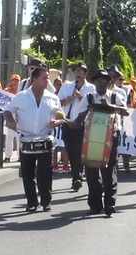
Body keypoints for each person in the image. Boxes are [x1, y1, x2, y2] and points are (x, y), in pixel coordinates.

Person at [4, 67, 66, 212]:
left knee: (45, 173)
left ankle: (46, 201)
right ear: (34, 79)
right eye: (44, 78)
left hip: (45, 138)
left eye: (47, 78)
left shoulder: (52, 97)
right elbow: (7, 110)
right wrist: (11, 121)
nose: (47, 81)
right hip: (26, 138)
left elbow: (61, 115)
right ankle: (32, 202)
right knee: (27, 174)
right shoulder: (21, 96)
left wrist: (56, 122)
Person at [75, 69, 129, 217]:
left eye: (105, 80)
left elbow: (126, 111)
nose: (102, 83)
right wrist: (77, 121)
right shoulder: (89, 97)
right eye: (99, 80)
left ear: (108, 82)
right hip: (91, 138)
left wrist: (112, 108)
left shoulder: (114, 96)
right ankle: (95, 205)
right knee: (91, 172)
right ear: (95, 82)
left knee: (109, 172)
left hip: (111, 137)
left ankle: (109, 205)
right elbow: (80, 116)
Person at [58, 64, 97, 192]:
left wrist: (81, 97)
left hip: (83, 124)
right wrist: (71, 98)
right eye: (77, 71)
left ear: (85, 74)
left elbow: (93, 106)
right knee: (70, 150)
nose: (78, 74)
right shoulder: (67, 86)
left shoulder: (91, 88)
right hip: (68, 122)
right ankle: (77, 175)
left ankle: (77, 176)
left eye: (81, 72)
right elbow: (58, 103)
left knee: (79, 150)